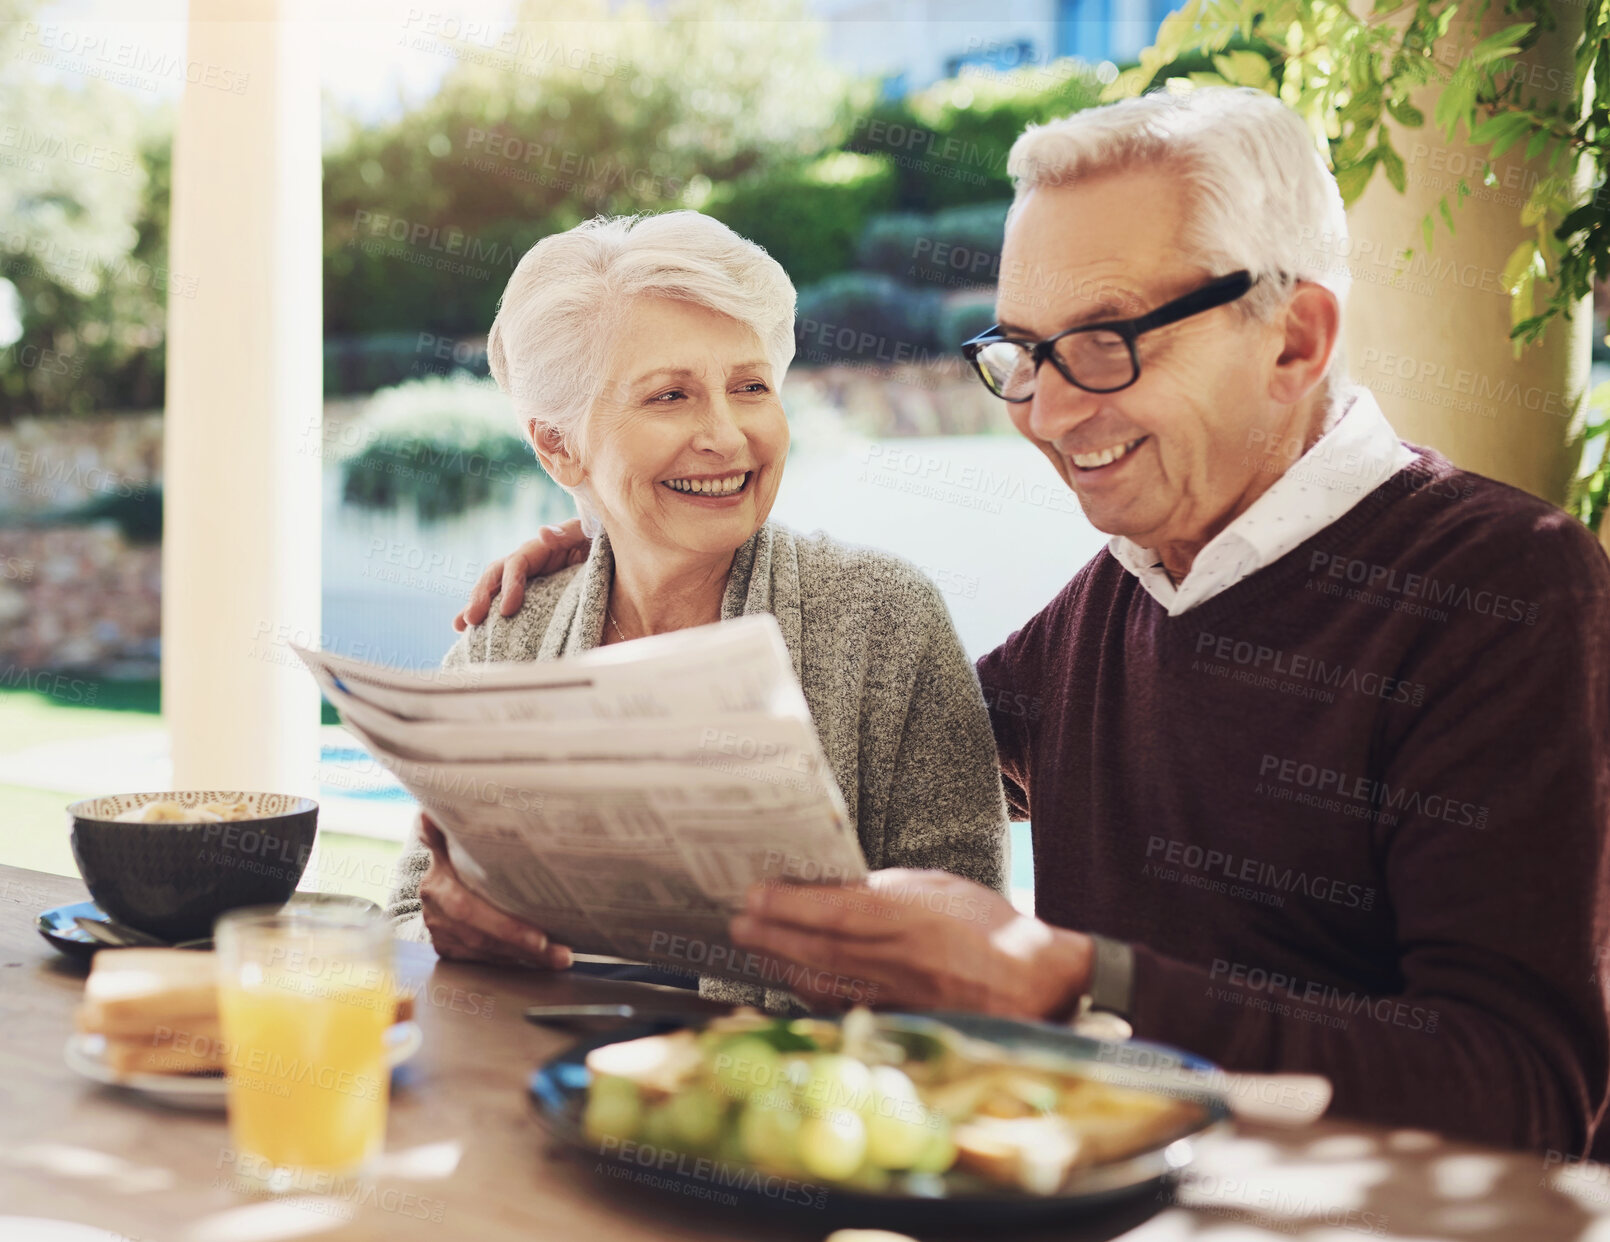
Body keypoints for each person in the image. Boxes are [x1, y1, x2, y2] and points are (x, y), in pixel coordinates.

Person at [452, 87, 1610, 1155]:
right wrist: (622, 545)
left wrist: (1074, 981)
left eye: (1103, 344)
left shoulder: (1507, 590)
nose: (1046, 412)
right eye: (1022, 352)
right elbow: (871, 733)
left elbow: (1525, 1088)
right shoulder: (1128, 589)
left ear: (1293, 339)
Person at [385, 210, 1008, 1010]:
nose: (726, 435)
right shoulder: (507, 637)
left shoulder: (886, 617)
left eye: (751, 387)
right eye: (670, 395)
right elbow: (406, 915)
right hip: (522, 1103)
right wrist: (448, 931)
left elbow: (975, 959)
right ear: (557, 447)